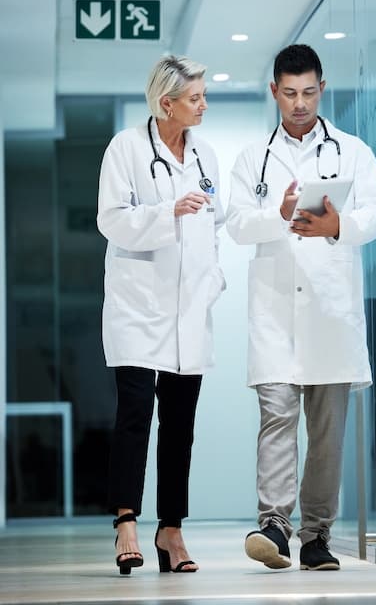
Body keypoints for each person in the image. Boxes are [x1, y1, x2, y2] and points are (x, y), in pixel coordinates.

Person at [226, 44, 376, 572]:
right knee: (276, 417)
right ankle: (274, 523)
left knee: (326, 434)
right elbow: (236, 223)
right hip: (275, 312)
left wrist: (337, 227)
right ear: (274, 90)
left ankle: (316, 536)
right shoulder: (254, 158)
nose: (300, 104)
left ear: (322, 88)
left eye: (310, 92)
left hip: (329, 314)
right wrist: (278, 215)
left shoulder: (353, 150)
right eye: (290, 93)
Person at [97, 55, 225, 575]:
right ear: (165, 102)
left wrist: (213, 280)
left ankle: (171, 531)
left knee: (180, 425)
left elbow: (215, 226)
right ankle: (126, 521)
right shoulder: (126, 149)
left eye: (204, 95)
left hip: (189, 307)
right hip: (138, 305)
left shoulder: (206, 155)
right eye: (195, 97)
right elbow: (111, 220)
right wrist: (164, 212)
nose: (203, 105)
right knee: (134, 416)